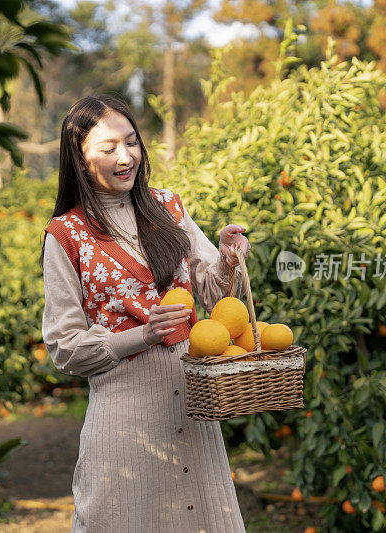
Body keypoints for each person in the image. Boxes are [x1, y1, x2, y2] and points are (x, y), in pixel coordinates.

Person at [40, 94, 251, 532]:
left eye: (132, 143)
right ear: (79, 160)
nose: (125, 157)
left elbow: (211, 293)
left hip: (192, 406)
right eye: (108, 148)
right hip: (123, 419)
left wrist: (228, 259)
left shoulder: (167, 208)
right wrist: (143, 335)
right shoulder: (66, 235)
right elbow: (65, 348)